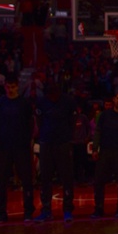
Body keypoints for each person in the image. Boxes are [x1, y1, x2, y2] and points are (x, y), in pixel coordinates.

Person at [0, 76, 35, 222]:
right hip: (4, 146)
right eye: (8, 87)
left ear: (17, 86)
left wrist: (28, 139)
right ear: (5, 87)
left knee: (26, 179)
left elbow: (30, 123)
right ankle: (1, 212)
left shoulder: (24, 103)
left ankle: (28, 211)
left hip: (21, 146)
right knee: (1, 180)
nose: (10, 89)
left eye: (13, 87)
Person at [34, 82, 77, 222]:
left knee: (67, 177)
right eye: (50, 94)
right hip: (46, 143)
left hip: (63, 142)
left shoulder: (68, 102)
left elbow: (73, 120)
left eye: (55, 94)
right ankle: (46, 209)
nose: (53, 97)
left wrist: (67, 136)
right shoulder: (41, 102)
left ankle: (68, 209)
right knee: (45, 177)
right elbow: (39, 120)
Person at [91, 91, 118, 218]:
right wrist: (95, 149)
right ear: (114, 99)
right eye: (117, 98)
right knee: (99, 181)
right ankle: (98, 208)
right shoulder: (104, 115)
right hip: (105, 152)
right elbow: (98, 132)